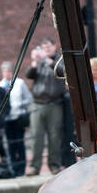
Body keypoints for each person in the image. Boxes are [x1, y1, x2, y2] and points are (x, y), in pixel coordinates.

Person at [25, 40, 66, 175]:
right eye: (43, 47)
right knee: (36, 137)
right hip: (37, 104)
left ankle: (54, 165)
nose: (46, 49)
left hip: (55, 104)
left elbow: (63, 72)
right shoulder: (39, 61)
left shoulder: (60, 60)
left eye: (48, 46)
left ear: (55, 47)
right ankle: (34, 167)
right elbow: (29, 75)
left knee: (54, 137)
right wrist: (35, 62)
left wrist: (49, 62)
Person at [0, 62, 32, 177]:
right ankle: (13, 168)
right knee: (10, 144)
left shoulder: (19, 83)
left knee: (20, 143)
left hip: (18, 117)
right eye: (4, 71)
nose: (6, 73)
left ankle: (21, 168)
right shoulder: (0, 85)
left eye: (8, 71)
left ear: (12, 72)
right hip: (7, 119)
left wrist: (19, 105)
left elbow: (28, 99)